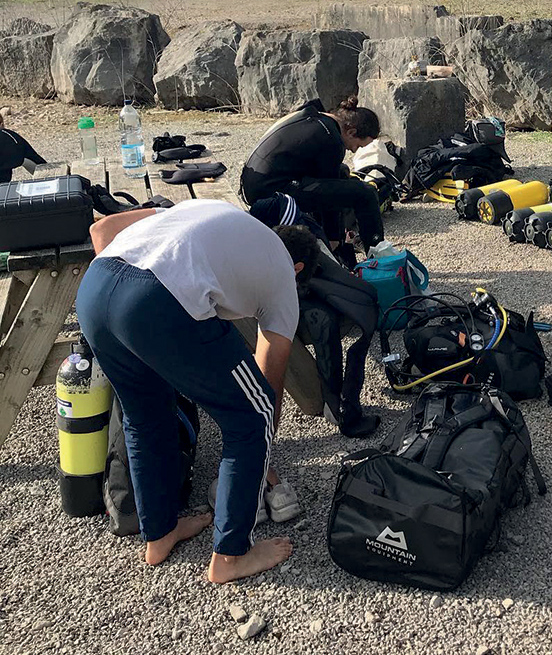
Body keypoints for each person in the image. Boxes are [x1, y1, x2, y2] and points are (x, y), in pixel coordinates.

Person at [76, 199, 320, 582]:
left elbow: (101, 231)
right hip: (156, 298)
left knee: (145, 416)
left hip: (96, 288)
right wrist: (260, 452)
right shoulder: (283, 280)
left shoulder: (213, 209)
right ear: (297, 269)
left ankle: (158, 534)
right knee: (249, 417)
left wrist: (126, 316)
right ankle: (231, 556)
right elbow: (266, 386)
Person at [248, 192, 382, 438]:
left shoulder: (271, 243)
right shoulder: (259, 265)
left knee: (320, 314)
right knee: (320, 319)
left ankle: (329, 401)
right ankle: (266, 431)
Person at [240, 96, 385, 265]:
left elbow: (331, 180)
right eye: (358, 146)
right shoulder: (332, 141)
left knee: (342, 171)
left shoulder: (314, 116)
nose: (353, 150)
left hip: (257, 183)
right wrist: (332, 237)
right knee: (365, 193)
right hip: (270, 192)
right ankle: (379, 257)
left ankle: (342, 248)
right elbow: (330, 200)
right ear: (351, 132)